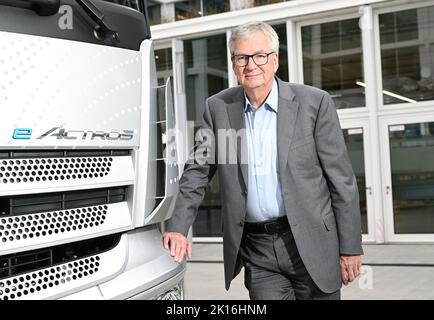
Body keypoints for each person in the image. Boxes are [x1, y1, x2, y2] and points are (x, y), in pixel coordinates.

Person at [163, 21, 363, 300]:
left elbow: (341, 181)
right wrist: (178, 226)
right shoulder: (218, 108)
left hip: (311, 242)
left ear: (275, 60)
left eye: (259, 56)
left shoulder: (314, 103)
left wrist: (350, 247)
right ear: (233, 64)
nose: (250, 65)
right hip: (258, 251)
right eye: (241, 57)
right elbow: (197, 171)